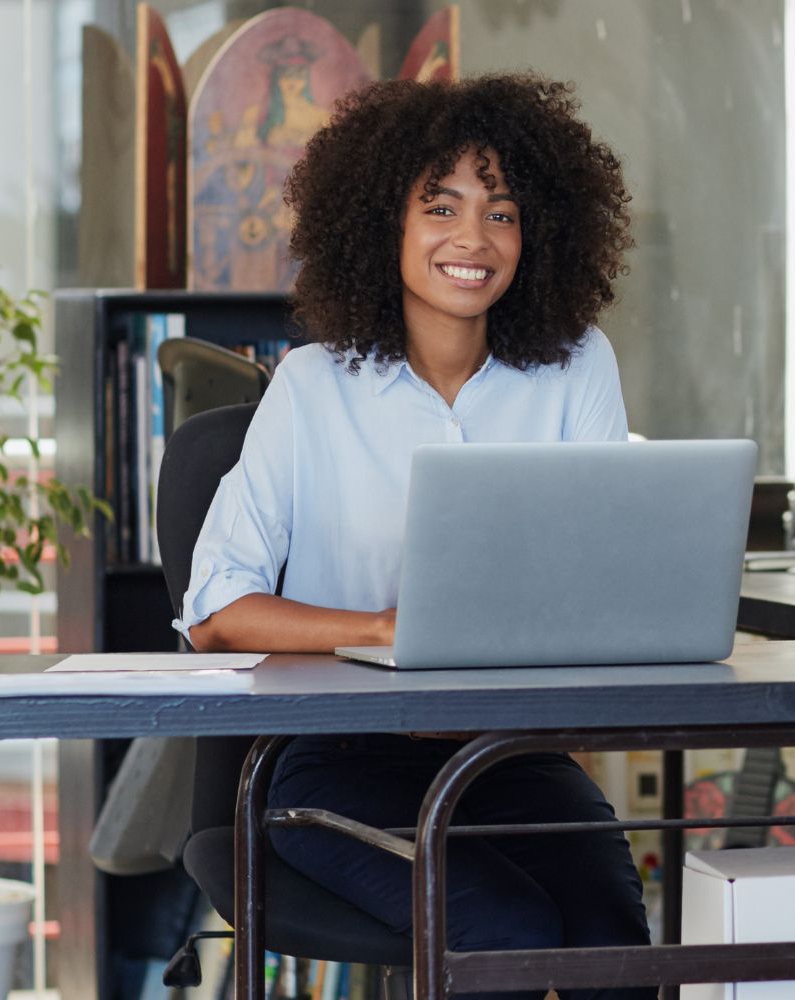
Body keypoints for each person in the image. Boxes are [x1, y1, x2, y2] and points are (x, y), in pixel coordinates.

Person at [175, 73, 649, 999]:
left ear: (538, 233)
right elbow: (214, 611)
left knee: (612, 947)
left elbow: (607, 570)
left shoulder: (576, 367)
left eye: (502, 212)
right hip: (336, 766)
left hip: (512, 757)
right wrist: (383, 629)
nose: (473, 239)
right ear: (380, 221)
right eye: (441, 206)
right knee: (507, 933)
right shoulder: (312, 387)